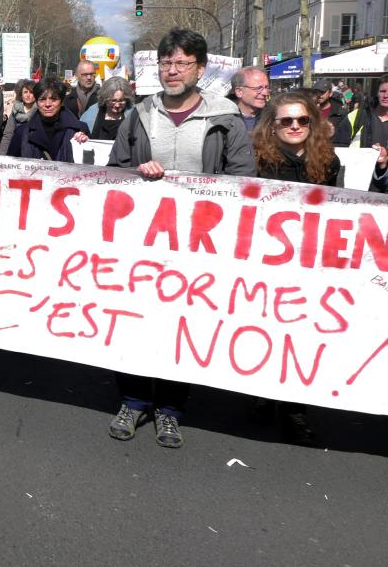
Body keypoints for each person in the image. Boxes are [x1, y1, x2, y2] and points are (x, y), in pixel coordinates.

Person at [107, 28, 255, 449]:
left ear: (201, 69)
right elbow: (114, 170)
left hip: (199, 246)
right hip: (142, 243)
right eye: (166, 63)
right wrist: (136, 173)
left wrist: (203, 189)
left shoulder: (226, 118)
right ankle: (133, 400)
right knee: (133, 322)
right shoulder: (138, 114)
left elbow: (244, 180)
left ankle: (170, 409)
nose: (172, 71)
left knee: (182, 326)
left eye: (182, 63)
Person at [249, 91, 339, 446]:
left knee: (300, 336)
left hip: (309, 262)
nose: (295, 126)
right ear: (272, 126)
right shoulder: (257, 160)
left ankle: (295, 411)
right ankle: (258, 394)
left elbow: (339, 209)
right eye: (286, 120)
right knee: (264, 330)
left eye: (302, 120)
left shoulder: (328, 160)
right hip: (265, 261)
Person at [5, 77, 89, 161]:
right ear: (36, 102)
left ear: (62, 101)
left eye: (53, 99)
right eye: (42, 99)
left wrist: (86, 145)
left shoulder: (80, 130)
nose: (48, 104)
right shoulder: (22, 132)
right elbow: (10, 166)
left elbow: (90, 167)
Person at [80, 76, 136, 140]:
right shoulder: (91, 113)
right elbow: (81, 133)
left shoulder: (133, 114)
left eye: (121, 100)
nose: (117, 105)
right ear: (105, 99)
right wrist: (83, 137)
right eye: (113, 101)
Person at [0, 79, 37, 154]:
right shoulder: (16, 110)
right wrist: (2, 155)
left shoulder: (39, 111)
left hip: (32, 153)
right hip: (15, 151)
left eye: (31, 92)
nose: (28, 95)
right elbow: (8, 134)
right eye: (25, 92)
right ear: (21, 94)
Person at [228, 67, 270, 131]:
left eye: (266, 87)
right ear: (239, 92)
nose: (265, 93)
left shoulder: (273, 117)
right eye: (258, 88)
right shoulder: (224, 120)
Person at [313, 79, 352, 146]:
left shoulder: (341, 113)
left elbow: (344, 139)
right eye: (316, 92)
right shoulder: (308, 111)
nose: (319, 95)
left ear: (330, 93)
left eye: (322, 92)